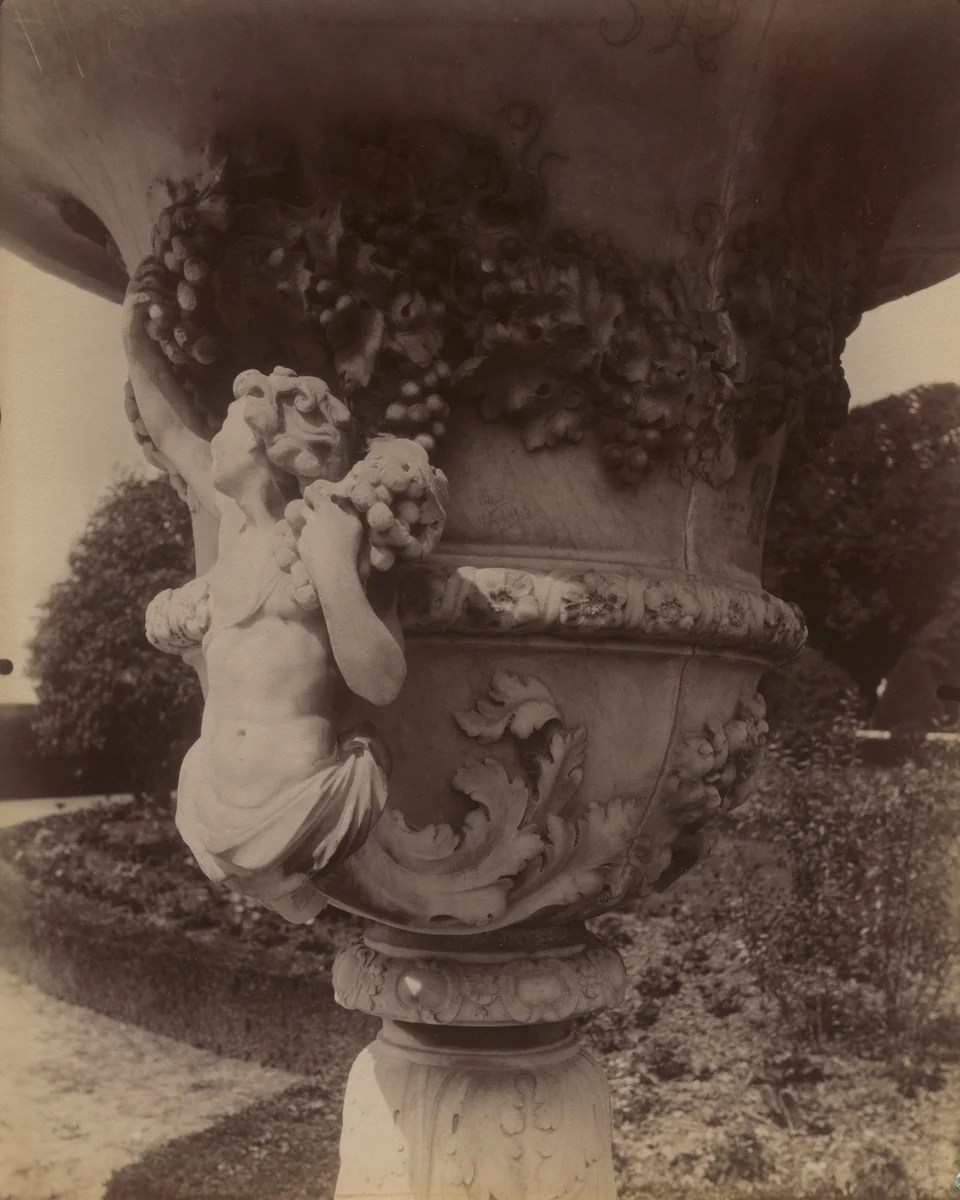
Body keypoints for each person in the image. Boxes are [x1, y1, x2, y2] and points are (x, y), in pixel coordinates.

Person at [123, 258, 406, 922]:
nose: (210, 442)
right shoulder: (231, 529)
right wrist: (134, 344)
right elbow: (169, 433)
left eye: (225, 429)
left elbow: (384, 680)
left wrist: (333, 567)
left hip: (301, 802)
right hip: (211, 794)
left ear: (263, 451)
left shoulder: (329, 531)